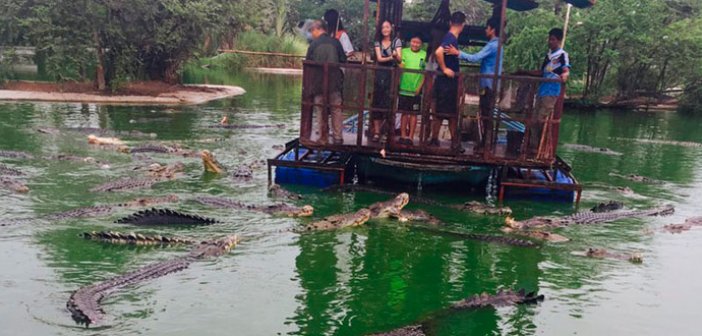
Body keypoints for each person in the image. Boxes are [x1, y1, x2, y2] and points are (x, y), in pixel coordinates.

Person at [446, 16, 503, 148]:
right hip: (489, 84)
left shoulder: (493, 45)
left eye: (487, 28)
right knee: (486, 114)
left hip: (489, 85)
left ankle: (486, 145)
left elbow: (475, 58)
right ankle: (486, 143)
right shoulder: (497, 44)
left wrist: (457, 52)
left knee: (487, 115)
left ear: (492, 29)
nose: (485, 30)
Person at [519, 28, 570, 154]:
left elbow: (566, 70)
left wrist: (565, 76)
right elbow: (542, 72)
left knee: (542, 119)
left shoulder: (562, 55)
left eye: (553, 39)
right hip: (541, 91)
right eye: (549, 39)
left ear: (558, 40)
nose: (550, 42)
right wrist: (525, 71)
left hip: (551, 91)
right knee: (534, 120)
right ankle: (533, 147)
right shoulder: (549, 55)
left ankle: (541, 148)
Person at [305, 20, 347, 145]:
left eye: (312, 31)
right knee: (336, 109)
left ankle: (323, 136)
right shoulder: (336, 42)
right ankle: (338, 137)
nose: (312, 34)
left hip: (318, 83)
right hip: (335, 83)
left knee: (320, 109)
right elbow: (343, 60)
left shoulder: (313, 45)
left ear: (317, 29)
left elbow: (308, 63)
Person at [429, 11, 466, 150]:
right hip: (447, 82)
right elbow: (438, 52)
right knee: (451, 114)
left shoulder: (450, 37)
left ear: (451, 22)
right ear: (463, 25)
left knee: (441, 112)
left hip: (446, 82)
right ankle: (454, 143)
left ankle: (435, 139)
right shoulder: (450, 37)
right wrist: (444, 68)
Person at [370, 20, 402, 142]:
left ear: (391, 28)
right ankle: (377, 132)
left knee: (390, 101)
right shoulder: (378, 41)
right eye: (383, 27)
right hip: (380, 73)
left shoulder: (396, 41)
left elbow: (399, 59)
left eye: (387, 27)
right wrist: (391, 56)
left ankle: (389, 131)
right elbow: (379, 58)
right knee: (377, 101)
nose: (385, 29)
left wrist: (396, 56)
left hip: (392, 74)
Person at [398, 35, 427, 145]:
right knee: (404, 113)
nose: (415, 44)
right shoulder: (404, 51)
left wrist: (419, 87)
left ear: (421, 44)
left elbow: (425, 73)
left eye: (417, 42)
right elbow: (401, 65)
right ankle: (403, 135)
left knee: (414, 114)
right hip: (404, 87)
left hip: (416, 89)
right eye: (413, 42)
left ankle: (410, 137)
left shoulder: (424, 55)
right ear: (410, 42)